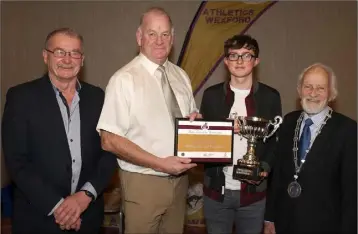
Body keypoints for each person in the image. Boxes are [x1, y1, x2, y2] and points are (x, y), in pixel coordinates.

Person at [2, 28, 117, 233]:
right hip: (38, 217)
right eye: (60, 52)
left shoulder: (98, 97)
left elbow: (109, 153)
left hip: (88, 216)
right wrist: (60, 208)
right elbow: (17, 162)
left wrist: (84, 196)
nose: (67, 59)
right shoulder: (21, 98)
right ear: (46, 56)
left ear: (82, 60)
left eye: (74, 53)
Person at [96, 7, 199, 234]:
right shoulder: (123, 79)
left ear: (172, 38)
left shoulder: (180, 75)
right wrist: (160, 163)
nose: (159, 40)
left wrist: (196, 123)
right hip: (143, 183)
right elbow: (109, 140)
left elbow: (190, 116)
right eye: (152, 33)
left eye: (165, 34)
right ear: (139, 37)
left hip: (181, 182)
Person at [200, 34, 282, 234]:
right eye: (233, 55)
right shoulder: (211, 96)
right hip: (216, 193)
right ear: (226, 61)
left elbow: (275, 142)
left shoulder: (270, 97)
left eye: (246, 55)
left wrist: (263, 168)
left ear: (256, 61)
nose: (239, 61)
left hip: (253, 196)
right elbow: (203, 143)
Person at [264, 63, 357, 234]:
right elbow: (278, 176)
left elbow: (351, 191)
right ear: (299, 90)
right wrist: (269, 217)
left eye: (320, 88)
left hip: (325, 225)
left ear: (331, 93)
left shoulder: (348, 130)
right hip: (285, 222)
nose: (313, 93)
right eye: (308, 86)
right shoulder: (288, 122)